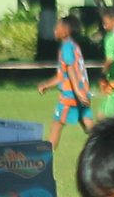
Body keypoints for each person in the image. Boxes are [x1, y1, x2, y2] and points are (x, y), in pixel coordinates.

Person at [39, 15, 93, 147]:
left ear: (66, 31)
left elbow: (70, 70)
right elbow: (64, 75)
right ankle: (107, 149)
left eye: (57, 27)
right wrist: (47, 85)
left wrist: (77, 91)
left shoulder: (66, 48)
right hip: (83, 92)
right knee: (91, 129)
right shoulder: (75, 47)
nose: (55, 30)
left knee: (56, 126)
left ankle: (45, 160)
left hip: (70, 96)